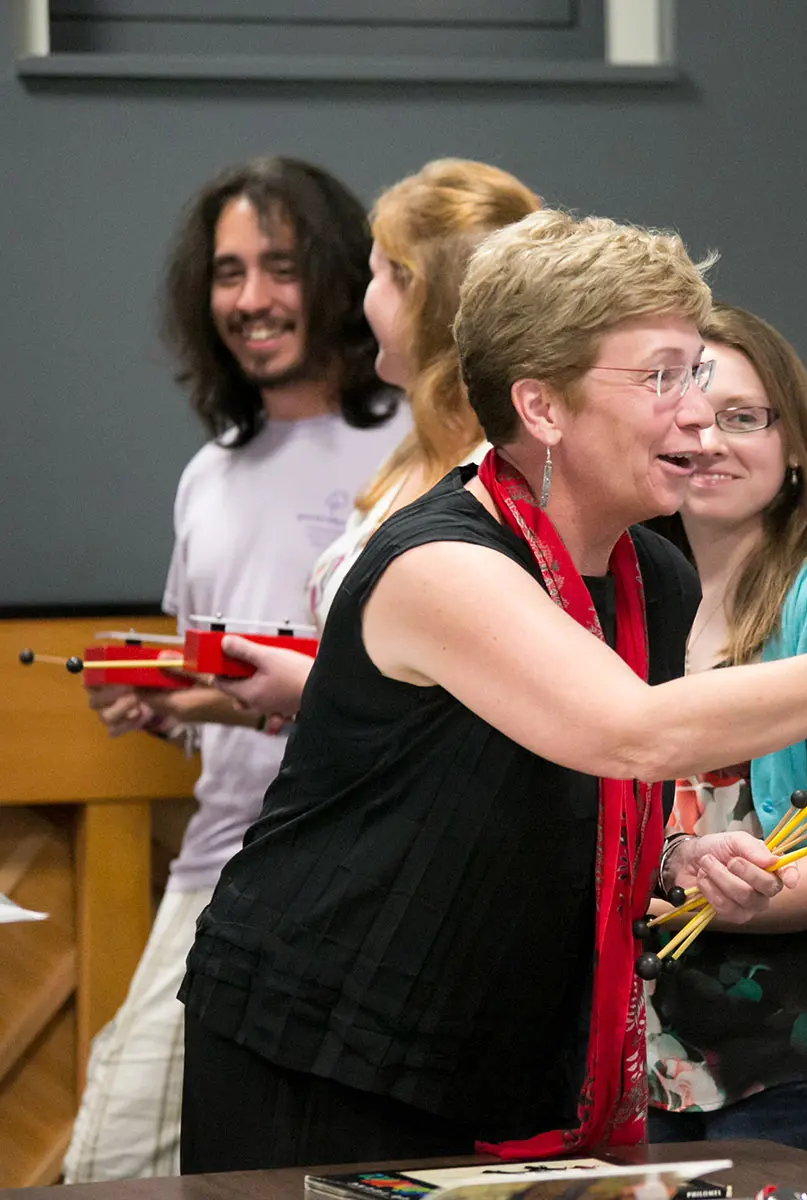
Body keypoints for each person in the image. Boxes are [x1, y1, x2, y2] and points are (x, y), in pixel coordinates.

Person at [177, 210, 807, 1172]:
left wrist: (675, 854)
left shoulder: (651, 574)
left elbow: (572, 789)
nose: (696, 413)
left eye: (697, 375)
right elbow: (629, 734)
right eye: (660, 378)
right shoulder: (442, 563)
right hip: (329, 1039)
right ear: (542, 409)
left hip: (496, 1050)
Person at [63, 157, 406, 1181]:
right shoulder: (210, 468)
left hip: (368, 883)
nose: (251, 299)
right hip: (222, 867)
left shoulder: (417, 450)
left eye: (282, 267)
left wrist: (264, 696)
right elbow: (223, 673)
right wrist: (166, 702)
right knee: (116, 1160)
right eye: (227, 272)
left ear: (344, 277)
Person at [641, 305, 807, 1169]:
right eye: (688, 417)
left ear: (793, 444)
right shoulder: (633, 589)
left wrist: (686, 898)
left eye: (743, 418)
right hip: (648, 1057)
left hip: (797, 1057)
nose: (710, 440)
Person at [207, 158, 541, 720]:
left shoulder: (500, 475)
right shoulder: (412, 453)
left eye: (379, 276)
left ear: (424, 299)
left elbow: (491, 698)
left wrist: (312, 687)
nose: (364, 302)